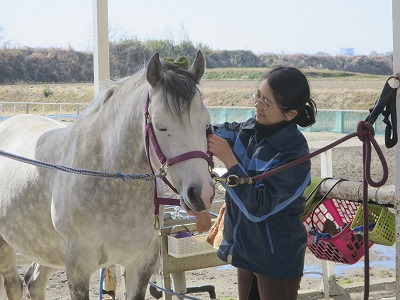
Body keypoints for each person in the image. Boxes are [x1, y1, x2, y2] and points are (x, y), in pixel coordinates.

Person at [202, 66, 317, 300]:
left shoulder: (294, 155)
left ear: (290, 114)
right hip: (245, 249)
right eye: (257, 96)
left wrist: (229, 161)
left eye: (267, 102)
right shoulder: (247, 131)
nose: (257, 106)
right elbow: (207, 134)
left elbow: (258, 207)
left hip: (276, 257)